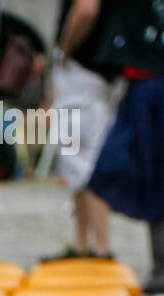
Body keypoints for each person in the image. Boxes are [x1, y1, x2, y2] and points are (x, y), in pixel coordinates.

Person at [87, 0, 164, 292]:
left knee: (151, 173)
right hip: (141, 87)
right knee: (145, 173)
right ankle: (160, 262)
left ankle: (161, 263)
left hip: (150, 90)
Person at [44, 0, 118, 261]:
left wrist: (65, 50)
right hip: (95, 73)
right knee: (80, 159)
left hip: (82, 71)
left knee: (82, 160)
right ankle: (83, 243)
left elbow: (86, 8)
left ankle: (100, 247)